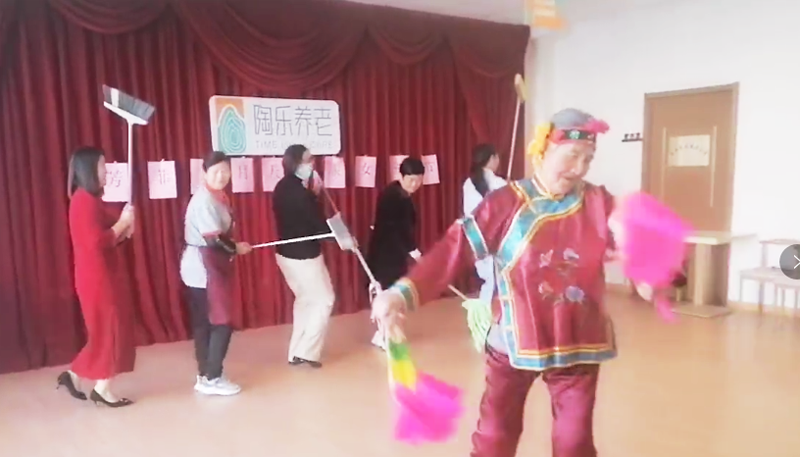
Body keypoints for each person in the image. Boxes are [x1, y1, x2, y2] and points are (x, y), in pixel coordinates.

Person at [372, 108, 651, 457]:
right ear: (543, 150)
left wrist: (650, 268)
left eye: (588, 159)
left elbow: (638, 243)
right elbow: (454, 250)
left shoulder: (598, 203)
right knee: (496, 438)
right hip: (514, 339)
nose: (579, 168)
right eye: (572, 155)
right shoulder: (505, 203)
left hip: (579, 340)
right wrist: (401, 293)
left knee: (574, 443)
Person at [57, 146, 137, 407]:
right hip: (97, 277)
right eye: (103, 166)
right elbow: (95, 242)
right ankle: (102, 388)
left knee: (106, 330)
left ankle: (75, 375)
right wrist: (121, 224)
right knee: (110, 330)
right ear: (89, 170)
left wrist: (124, 228)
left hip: (101, 274)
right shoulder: (83, 202)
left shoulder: (89, 200)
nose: (107, 171)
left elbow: (108, 237)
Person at [180, 151, 252, 396]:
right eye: (215, 171)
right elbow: (214, 240)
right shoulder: (205, 201)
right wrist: (237, 248)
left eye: (225, 171)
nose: (221, 176)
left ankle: (205, 375)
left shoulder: (217, 196)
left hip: (206, 266)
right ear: (204, 173)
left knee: (205, 323)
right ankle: (212, 377)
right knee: (221, 322)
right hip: (203, 267)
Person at [272, 144, 335, 369]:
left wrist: (313, 196)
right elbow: (318, 226)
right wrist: (342, 238)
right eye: (308, 160)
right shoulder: (301, 193)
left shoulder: (281, 187)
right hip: (304, 256)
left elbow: (299, 216)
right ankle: (307, 352)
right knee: (325, 299)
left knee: (305, 300)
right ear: (296, 163)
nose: (312, 164)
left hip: (285, 255)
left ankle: (296, 352)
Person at [365, 157, 425, 349]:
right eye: (411, 180)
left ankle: (383, 334)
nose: (414, 184)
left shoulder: (401, 194)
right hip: (385, 255)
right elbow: (397, 229)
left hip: (394, 253)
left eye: (418, 180)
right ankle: (385, 336)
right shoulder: (393, 197)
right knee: (388, 295)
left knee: (391, 294)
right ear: (401, 176)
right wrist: (413, 250)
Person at [462, 144, 507, 305]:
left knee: (489, 280)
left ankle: (485, 313)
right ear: (492, 158)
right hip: (494, 236)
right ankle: (489, 315)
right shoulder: (499, 184)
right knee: (497, 281)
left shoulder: (468, 183)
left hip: (475, 237)